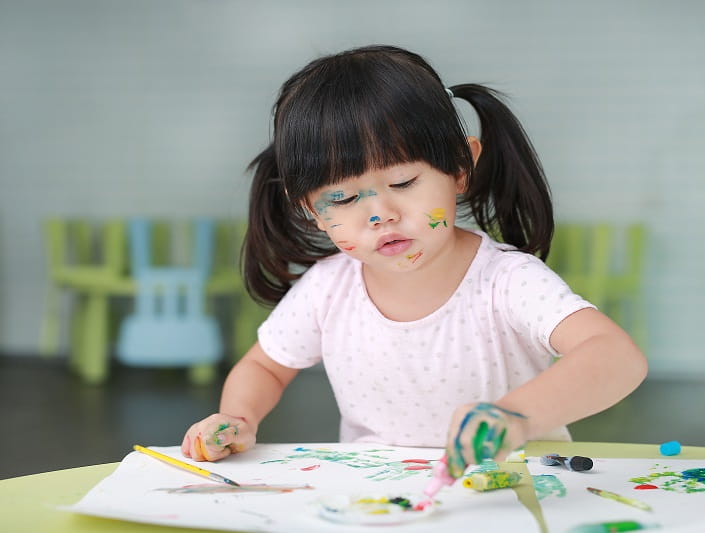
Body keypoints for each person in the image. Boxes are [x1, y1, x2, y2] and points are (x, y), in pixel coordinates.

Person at [181, 44, 647, 479]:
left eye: (403, 182)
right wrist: (236, 416)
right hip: (380, 494)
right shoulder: (328, 289)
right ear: (310, 210)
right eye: (342, 198)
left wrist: (515, 417)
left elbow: (616, 357)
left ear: (460, 168)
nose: (381, 214)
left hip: (518, 490)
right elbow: (266, 367)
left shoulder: (507, 281)